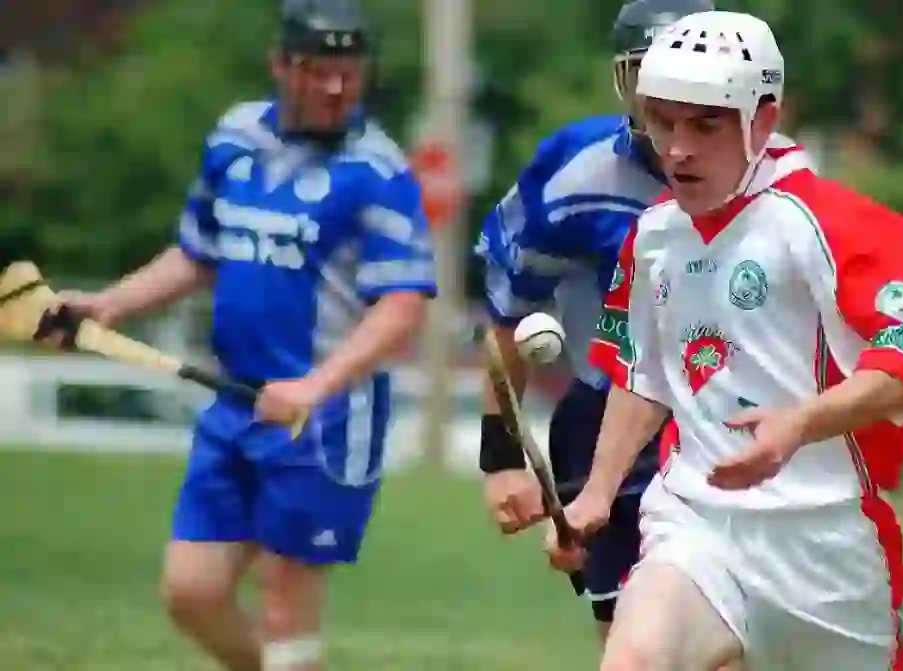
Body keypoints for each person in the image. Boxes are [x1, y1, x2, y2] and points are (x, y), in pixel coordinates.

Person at [547, 9, 903, 670]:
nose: (677, 148)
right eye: (663, 121)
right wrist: (597, 494)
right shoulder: (653, 235)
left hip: (827, 552)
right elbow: (644, 373)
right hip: (698, 529)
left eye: (705, 125)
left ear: (762, 121)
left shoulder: (832, 224)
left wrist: (801, 422)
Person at [39, 1, 435, 669]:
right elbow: (198, 252)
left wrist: (315, 384)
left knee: (285, 604)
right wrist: (109, 305)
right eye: (317, 70)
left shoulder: (380, 172)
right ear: (281, 64)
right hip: (233, 404)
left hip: (326, 417)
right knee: (190, 592)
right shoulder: (234, 137)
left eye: (349, 70)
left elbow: (402, 305)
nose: (336, 87)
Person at [474, 0, 715, 639]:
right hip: (605, 419)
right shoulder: (576, 171)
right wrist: (499, 455)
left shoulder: (773, 178)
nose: (667, 107)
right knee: (632, 639)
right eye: (649, 79)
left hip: (727, 426)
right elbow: (508, 310)